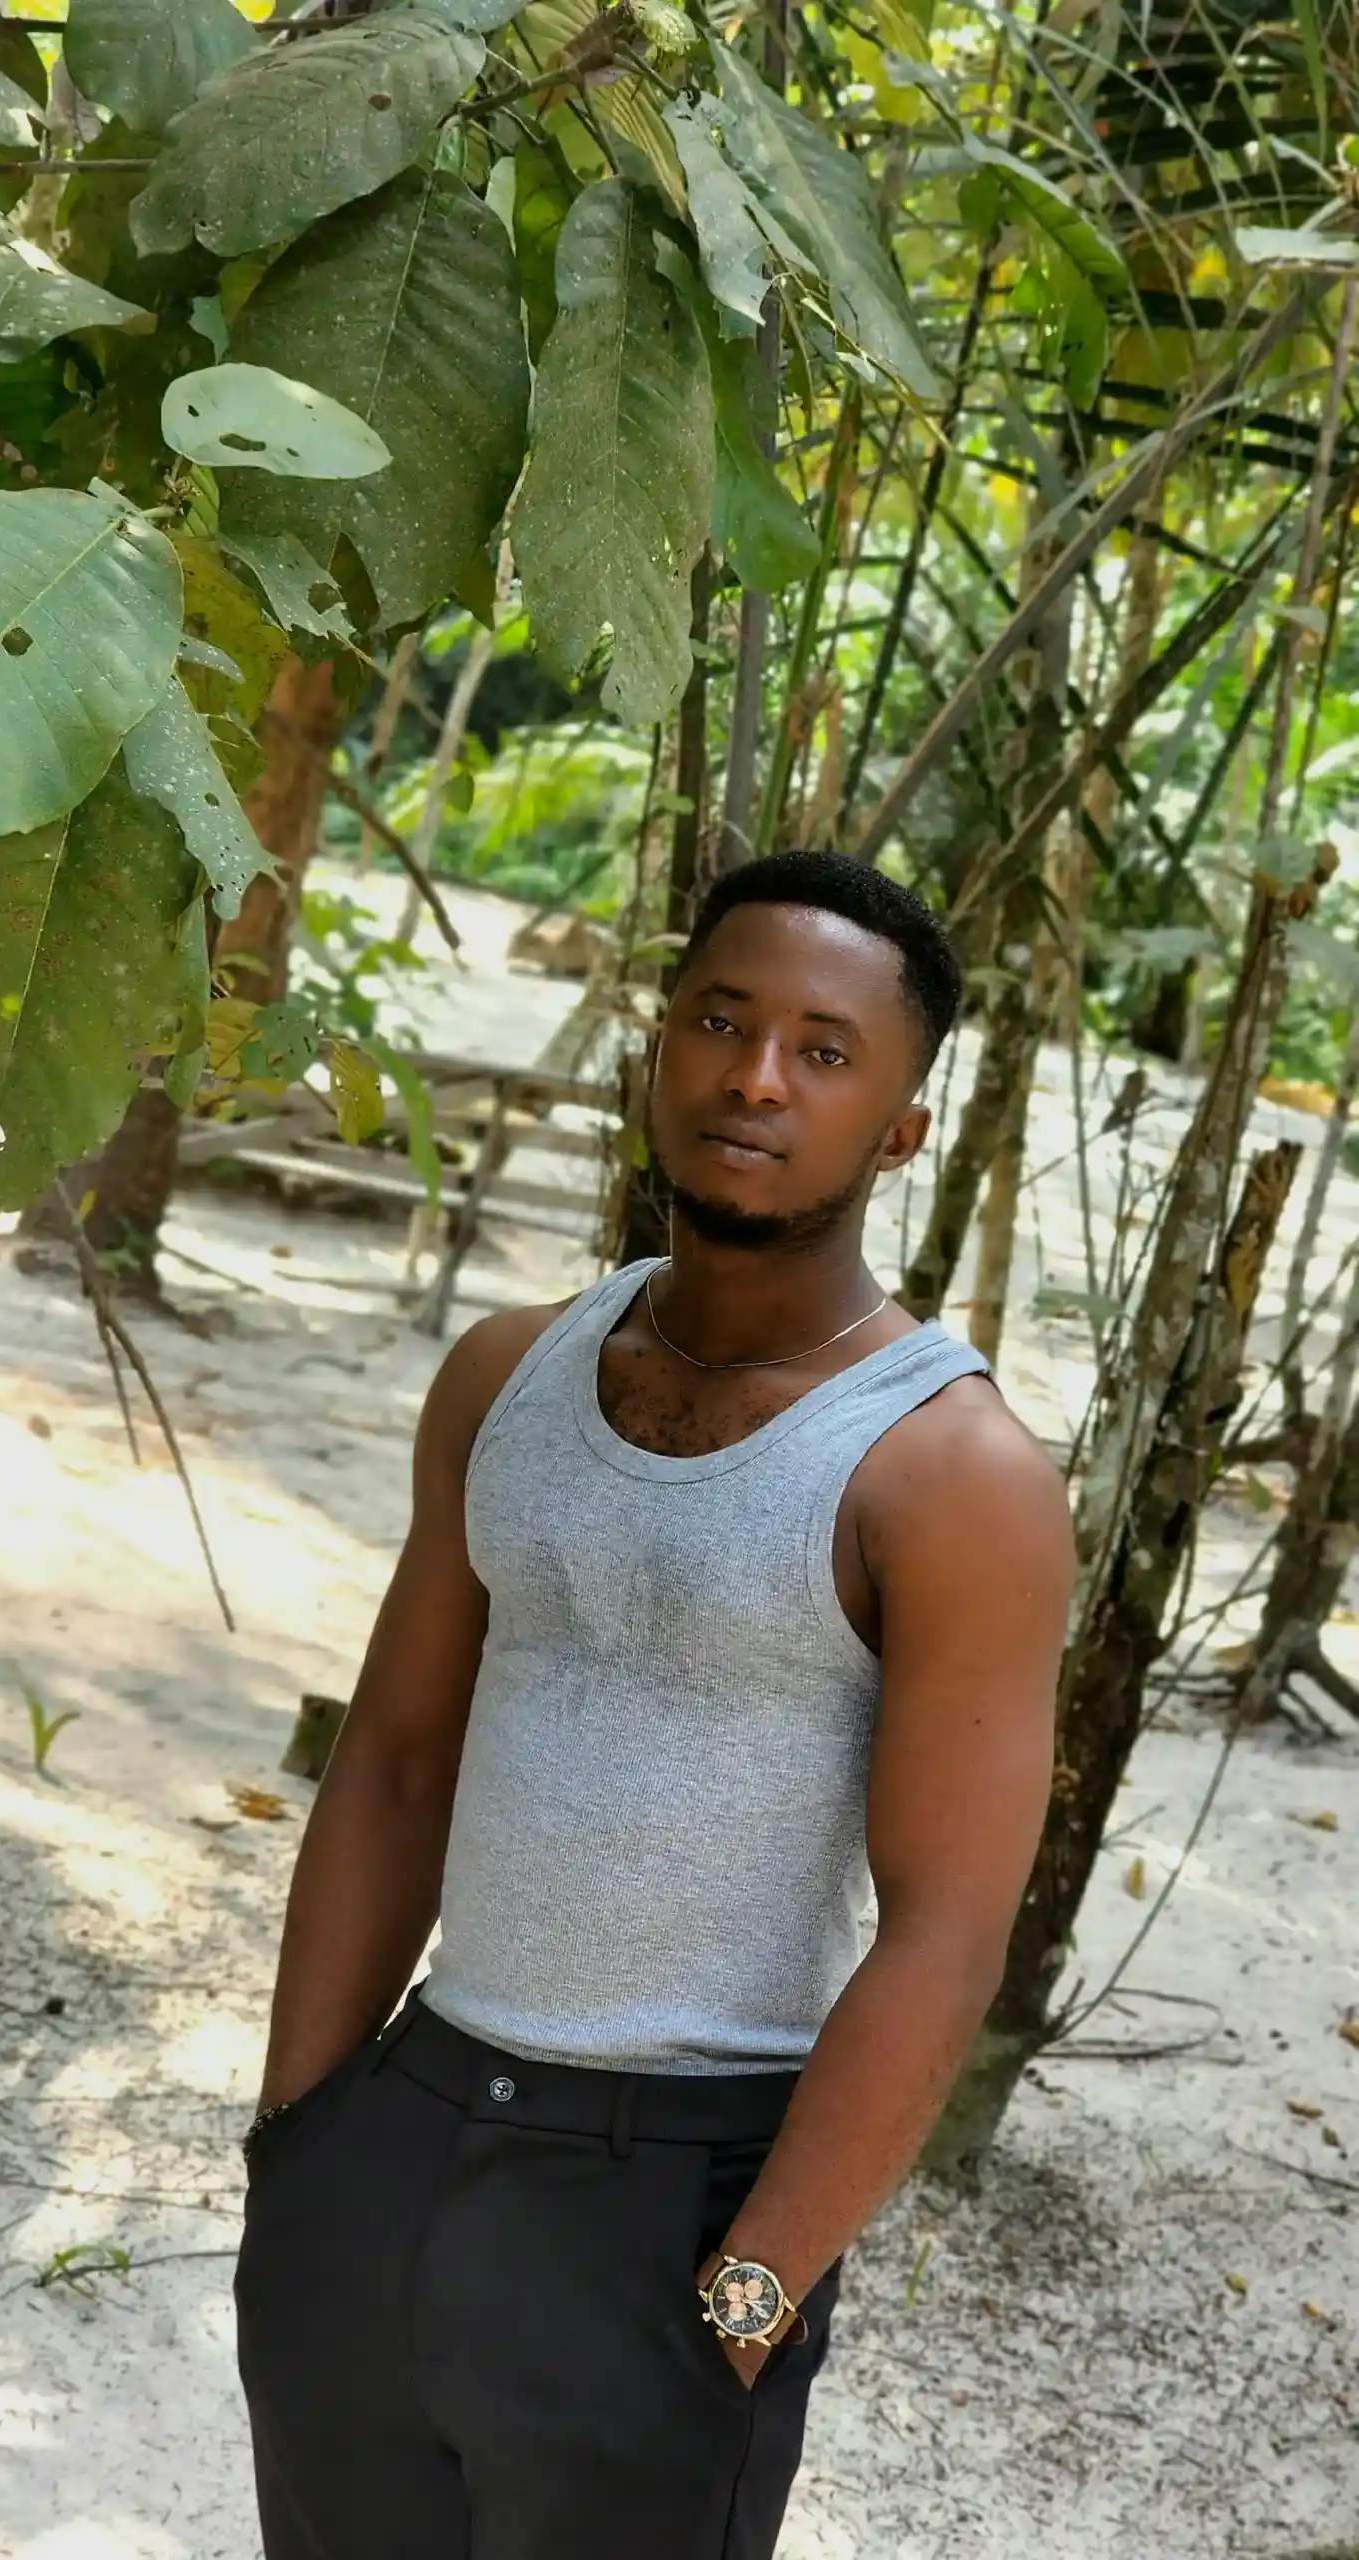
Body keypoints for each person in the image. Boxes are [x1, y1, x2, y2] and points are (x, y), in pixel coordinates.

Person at [235, 848, 1074, 2560]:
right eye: (719, 1021)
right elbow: (394, 1767)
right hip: (405, 2129)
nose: (756, 1077)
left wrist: (749, 2297)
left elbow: (946, 1930)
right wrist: (299, 2145)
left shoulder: (950, 1473)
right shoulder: (505, 1373)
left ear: (902, 1130)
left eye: (824, 1052)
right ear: (655, 1049)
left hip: (682, 2192)